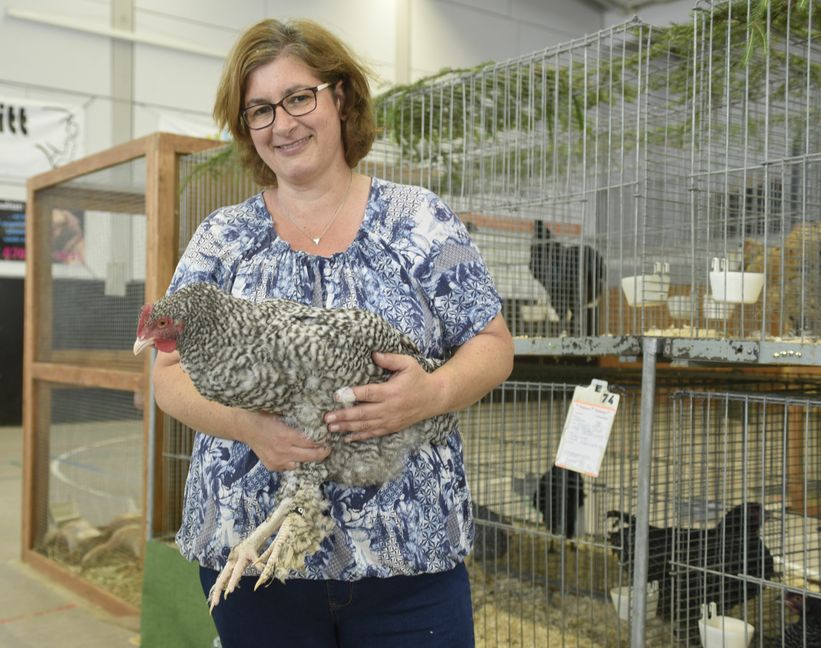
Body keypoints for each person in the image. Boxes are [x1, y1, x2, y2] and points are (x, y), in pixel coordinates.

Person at [151, 17, 514, 648]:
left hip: (407, 556)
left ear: (339, 97)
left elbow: (493, 343)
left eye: (298, 97)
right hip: (255, 556)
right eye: (259, 109)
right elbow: (167, 376)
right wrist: (246, 427)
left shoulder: (417, 221)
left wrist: (432, 393)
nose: (282, 124)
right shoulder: (222, 239)